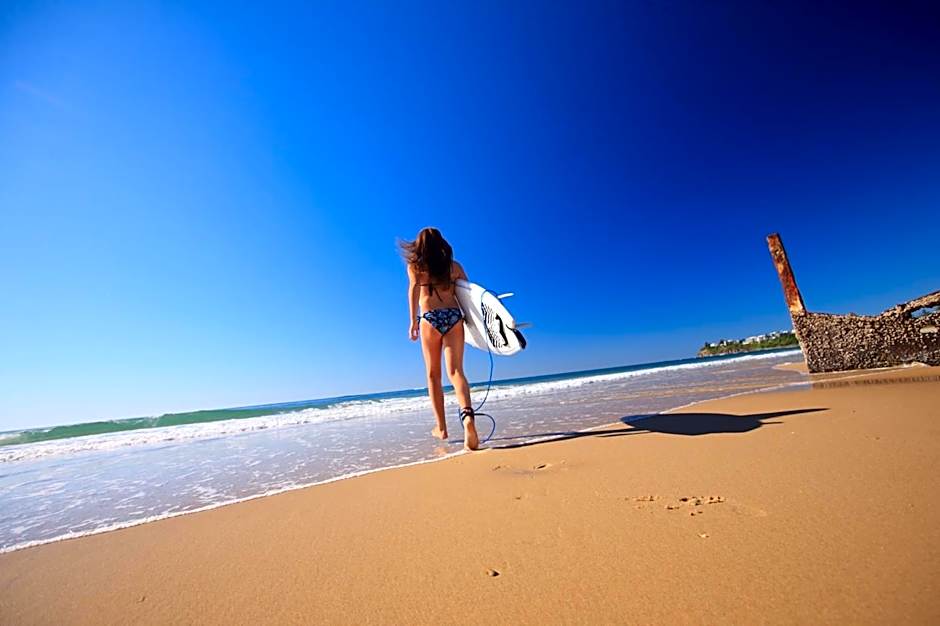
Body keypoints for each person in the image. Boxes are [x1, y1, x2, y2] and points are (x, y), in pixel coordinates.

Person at [400, 227, 479, 450]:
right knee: (456, 372)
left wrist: (413, 322)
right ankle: (468, 417)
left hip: (430, 318)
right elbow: (469, 294)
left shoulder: (415, 268)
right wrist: (473, 324)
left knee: (434, 375)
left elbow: (414, 290)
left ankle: (442, 428)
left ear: (420, 246)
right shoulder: (454, 267)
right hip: (454, 317)